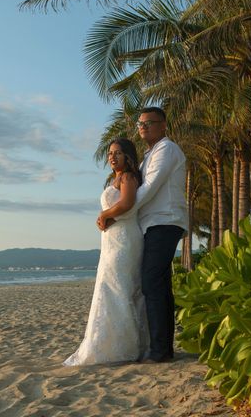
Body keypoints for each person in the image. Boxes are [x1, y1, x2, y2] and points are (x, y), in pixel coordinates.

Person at [100, 107, 187, 364]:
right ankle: (161, 347)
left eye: (149, 123)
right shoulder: (148, 156)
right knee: (157, 285)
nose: (143, 128)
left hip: (165, 221)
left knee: (152, 283)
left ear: (163, 125)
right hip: (150, 224)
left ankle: (160, 351)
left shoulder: (167, 150)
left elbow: (147, 190)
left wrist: (115, 212)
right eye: (140, 124)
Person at [64, 138, 148, 366]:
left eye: (118, 153)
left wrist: (104, 215)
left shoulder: (128, 177)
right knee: (110, 286)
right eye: (110, 153)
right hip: (112, 240)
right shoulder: (116, 178)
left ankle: (125, 347)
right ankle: (108, 343)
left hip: (124, 239)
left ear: (128, 156)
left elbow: (127, 202)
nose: (112, 157)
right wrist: (106, 217)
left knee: (118, 288)